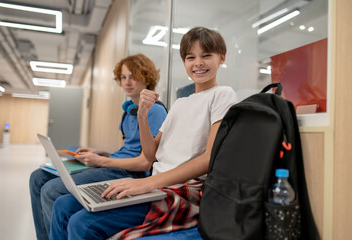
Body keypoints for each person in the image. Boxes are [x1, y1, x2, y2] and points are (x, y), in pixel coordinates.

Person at [49, 26, 238, 240]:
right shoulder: (180, 104)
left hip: (179, 188)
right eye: (190, 57)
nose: (198, 63)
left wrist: (148, 183)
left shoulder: (223, 95)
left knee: (81, 225)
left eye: (206, 55)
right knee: (62, 205)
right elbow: (150, 155)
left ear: (221, 57)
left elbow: (208, 159)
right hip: (156, 184)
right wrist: (142, 116)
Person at [29, 53, 167, 240]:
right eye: (124, 77)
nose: (127, 82)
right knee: (37, 177)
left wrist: (101, 161)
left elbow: (145, 163)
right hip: (114, 163)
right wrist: (100, 153)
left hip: (130, 173)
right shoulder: (127, 112)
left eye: (133, 77)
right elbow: (127, 149)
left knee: (51, 190)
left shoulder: (156, 111)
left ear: (147, 78)